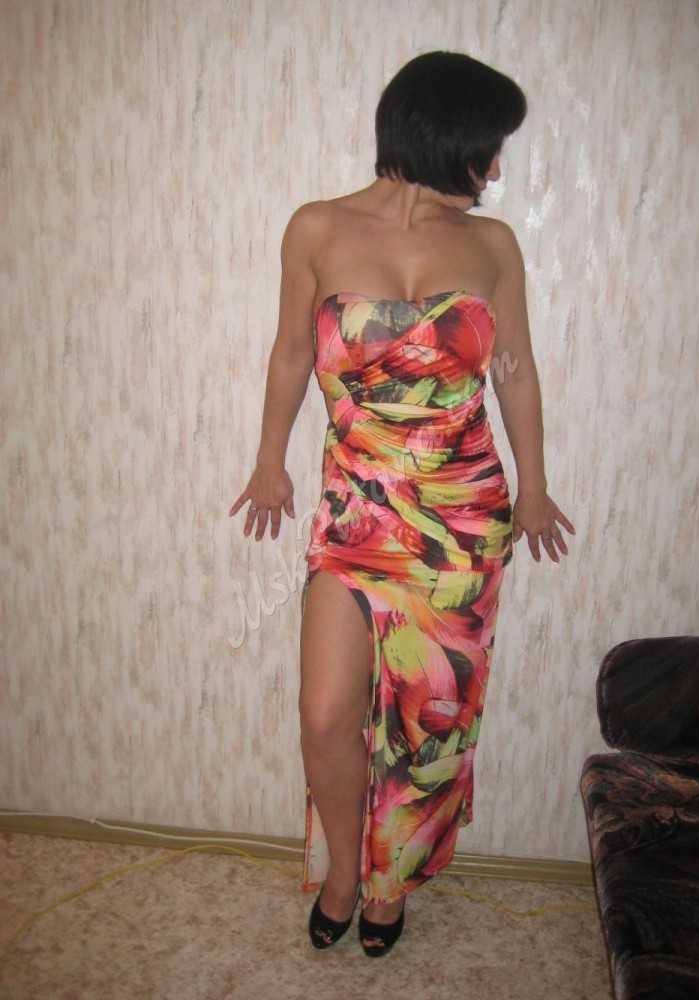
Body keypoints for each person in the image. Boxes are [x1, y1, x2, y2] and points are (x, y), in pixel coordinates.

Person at [229, 50, 575, 957]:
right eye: (488, 147)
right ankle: (345, 869)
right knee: (324, 714)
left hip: (461, 519)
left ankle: (388, 884)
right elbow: (290, 353)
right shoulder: (317, 227)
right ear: (443, 135)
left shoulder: (493, 246)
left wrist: (534, 488)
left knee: (428, 724)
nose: (494, 169)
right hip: (356, 512)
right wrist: (269, 462)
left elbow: (515, 371)